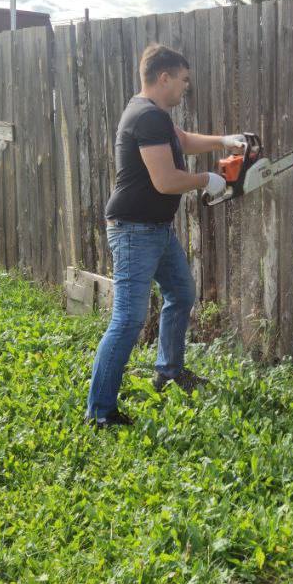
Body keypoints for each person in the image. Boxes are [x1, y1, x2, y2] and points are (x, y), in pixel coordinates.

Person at [84, 42, 246, 429]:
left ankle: (169, 372)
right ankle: (100, 412)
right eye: (183, 81)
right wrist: (207, 179)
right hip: (134, 230)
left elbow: (183, 140)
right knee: (127, 320)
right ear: (164, 77)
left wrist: (224, 142)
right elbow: (165, 180)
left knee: (181, 292)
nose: (185, 88)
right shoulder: (147, 117)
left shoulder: (149, 112)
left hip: (153, 229)